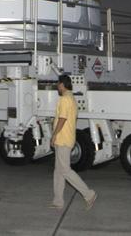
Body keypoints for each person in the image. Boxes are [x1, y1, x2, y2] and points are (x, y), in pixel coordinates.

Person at [51, 74, 97, 212]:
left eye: (58, 84)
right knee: (58, 171)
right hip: (66, 138)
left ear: (62, 84)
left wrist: (54, 135)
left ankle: (89, 194)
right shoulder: (71, 98)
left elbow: (62, 119)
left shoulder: (65, 99)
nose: (57, 87)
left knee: (65, 170)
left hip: (63, 139)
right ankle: (58, 201)